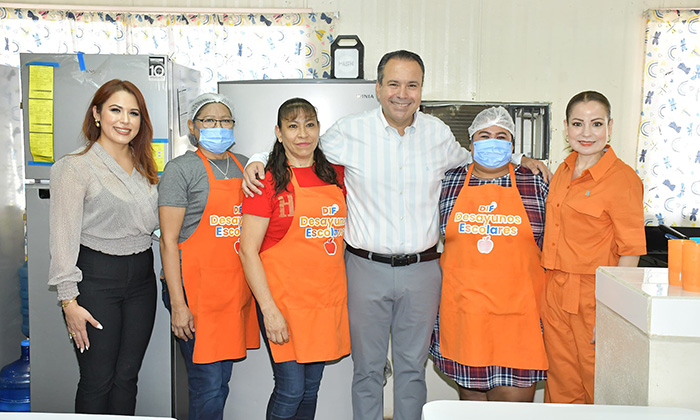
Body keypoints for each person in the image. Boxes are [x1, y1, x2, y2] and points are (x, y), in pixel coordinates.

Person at [242, 51, 551, 420]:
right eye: (393, 84)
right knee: (368, 371)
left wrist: (522, 159)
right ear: (377, 88)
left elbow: (479, 158)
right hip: (363, 269)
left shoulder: (437, 134)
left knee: (411, 371)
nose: (402, 93)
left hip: (422, 272)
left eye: (412, 85)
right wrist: (258, 156)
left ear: (421, 90)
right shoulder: (350, 131)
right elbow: (301, 144)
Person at [48, 79, 159, 414]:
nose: (125, 120)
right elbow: (62, 237)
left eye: (133, 113)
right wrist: (69, 301)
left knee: (127, 377)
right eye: (115, 110)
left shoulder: (146, 166)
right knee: (97, 379)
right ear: (97, 114)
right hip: (96, 280)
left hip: (142, 278)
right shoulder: (74, 166)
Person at [239, 97, 350, 420]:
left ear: (319, 129)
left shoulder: (336, 176)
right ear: (279, 132)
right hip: (283, 304)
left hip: (325, 301)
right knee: (290, 390)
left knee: (310, 389)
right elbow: (248, 251)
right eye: (292, 126)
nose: (302, 134)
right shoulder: (266, 182)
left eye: (310, 124)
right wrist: (269, 311)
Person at [429, 106, 548, 402]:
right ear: (471, 144)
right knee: (472, 412)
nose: (492, 141)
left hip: (519, 318)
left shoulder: (536, 183)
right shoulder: (448, 183)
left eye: (501, 136)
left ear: (512, 145)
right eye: (484, 135)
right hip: (466, 317)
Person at [158, 93, 259, 420]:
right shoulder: (180, 170)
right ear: (192, 126)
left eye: (225, 121)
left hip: (233, 292)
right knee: (207, 383)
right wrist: (178, 305)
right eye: (209, 121)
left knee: (222, 382)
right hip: (194, 294)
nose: (218, 127)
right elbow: (168, 242)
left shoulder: (245, 164)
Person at [541, 91, 646, 404]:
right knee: (559, 380)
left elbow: (631, 251)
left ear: (610, 127)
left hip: (594, 294)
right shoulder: (561, 171)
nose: (587, 133)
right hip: (555, 289)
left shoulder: (622, 179)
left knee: (598, 380)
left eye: (596, 124)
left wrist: (612, 309)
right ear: (566, 127)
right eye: (578, 124)